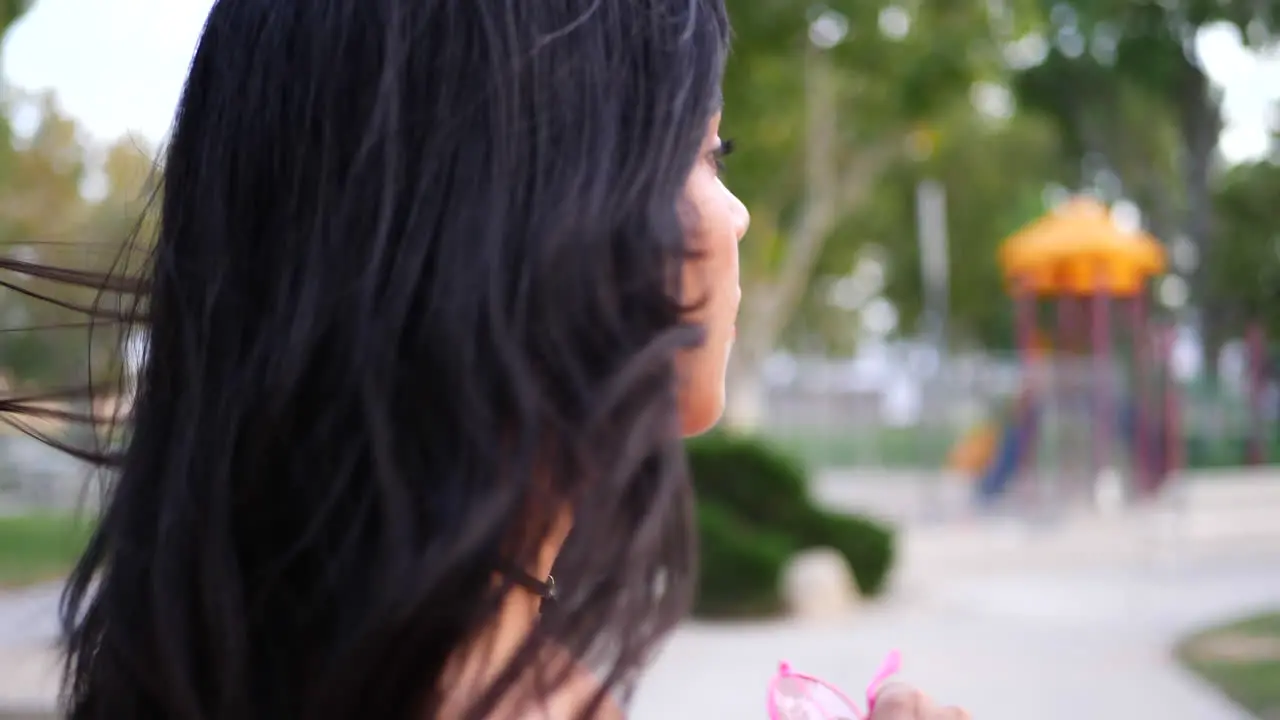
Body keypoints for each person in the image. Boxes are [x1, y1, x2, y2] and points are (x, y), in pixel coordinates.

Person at [2, 1, 969, 718]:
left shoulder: (272, 644)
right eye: (705, 152)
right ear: (531, 210)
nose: (738, 211)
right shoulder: (480, 685)